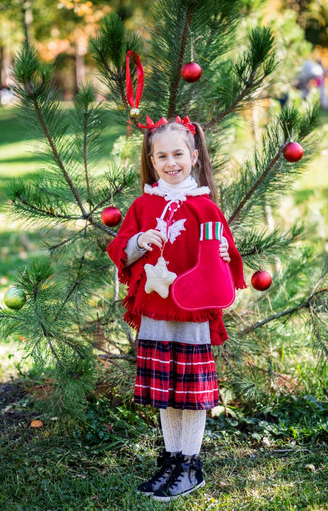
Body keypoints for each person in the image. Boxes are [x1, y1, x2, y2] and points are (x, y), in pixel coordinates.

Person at [107, 116, 246, 502]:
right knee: (165, 390)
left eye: (178, 154)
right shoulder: (142, 206)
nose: (171, 163)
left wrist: (221, 254)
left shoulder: (207, 209)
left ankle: (190, 464)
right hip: (155, 312)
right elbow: (120, 250)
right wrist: (138, 240)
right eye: (162, 156)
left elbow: (229, 259)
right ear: (152, 161)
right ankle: (171, 459)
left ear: (194, 156)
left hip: (192, 313)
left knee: (189, 391)